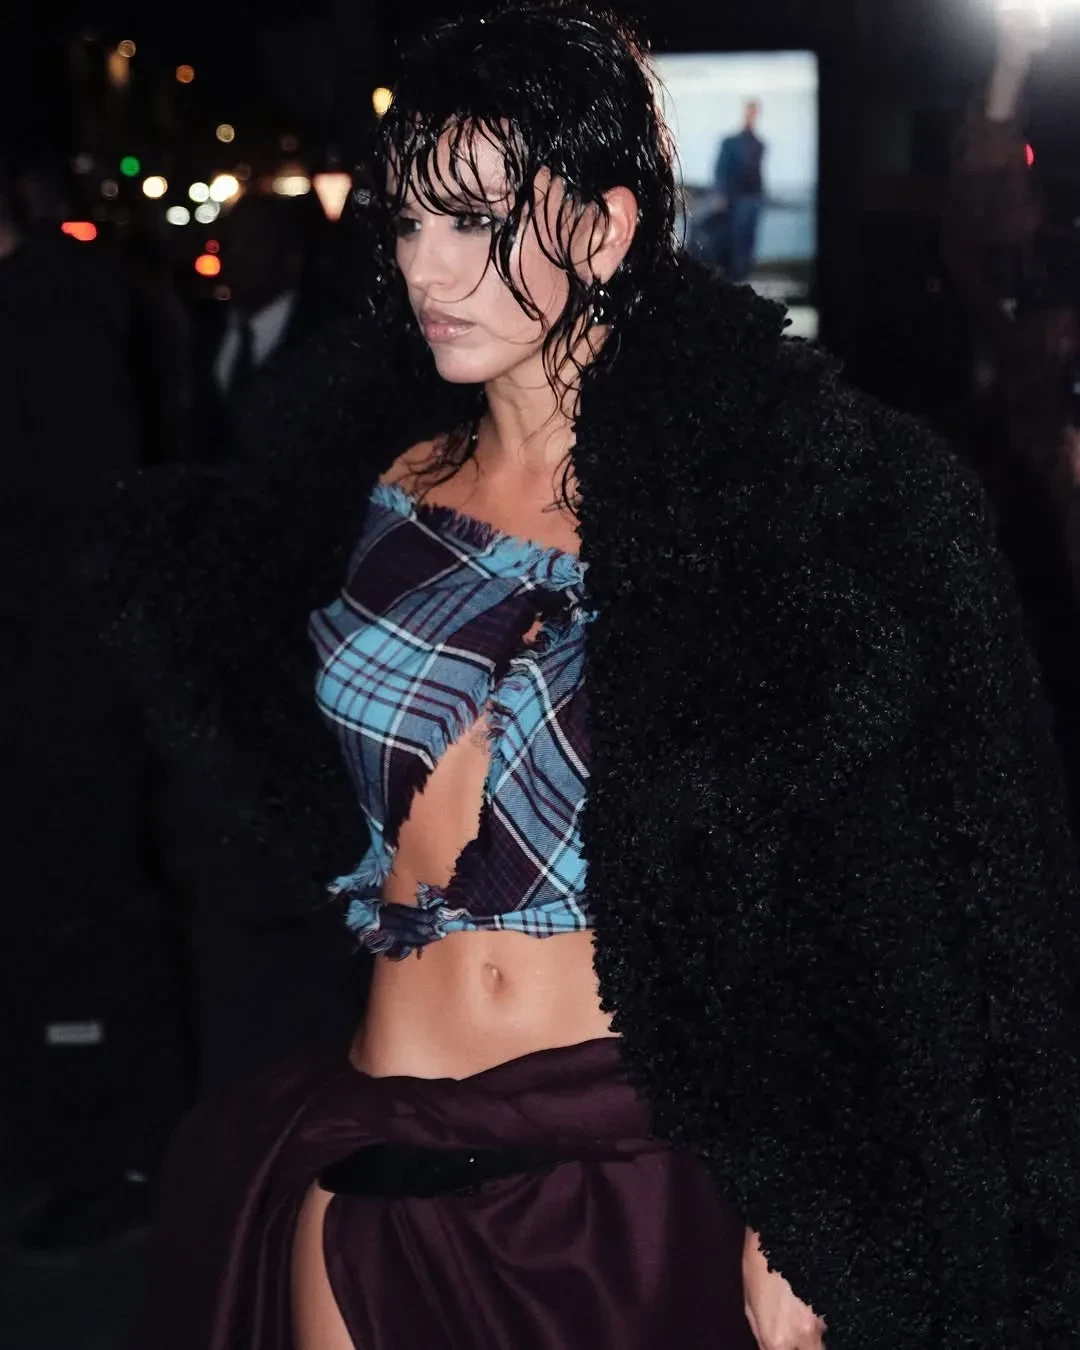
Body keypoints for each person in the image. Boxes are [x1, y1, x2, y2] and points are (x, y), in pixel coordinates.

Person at [89, 6, 1080, 1348]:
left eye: (475, 221)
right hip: (376, 1133)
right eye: (408, 220)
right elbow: (269, 811)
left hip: (638, 1167)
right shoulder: (355, 488)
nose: (427, 266)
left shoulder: (768, 519)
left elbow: (888, 889)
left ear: (605, 229)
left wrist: (815, 1207)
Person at [188, 193, 345, 462]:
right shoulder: (203, 330)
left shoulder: (328, 339)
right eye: (230, 241)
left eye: (253, 242)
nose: (237, 254)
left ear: (290, 255)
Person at [714, 99, 767, 283]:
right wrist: (721, 194)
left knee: (749, 238)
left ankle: (743, 276)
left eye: (754, 112)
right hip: (737, 198)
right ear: (745, 113)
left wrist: (761, 197)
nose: (751, 116)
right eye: (749, 111)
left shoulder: (759, 144)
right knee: (736, 237)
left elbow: (758, 172)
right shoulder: (731, 142)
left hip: (754, 197)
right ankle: (734, 276)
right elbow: (720, 169)